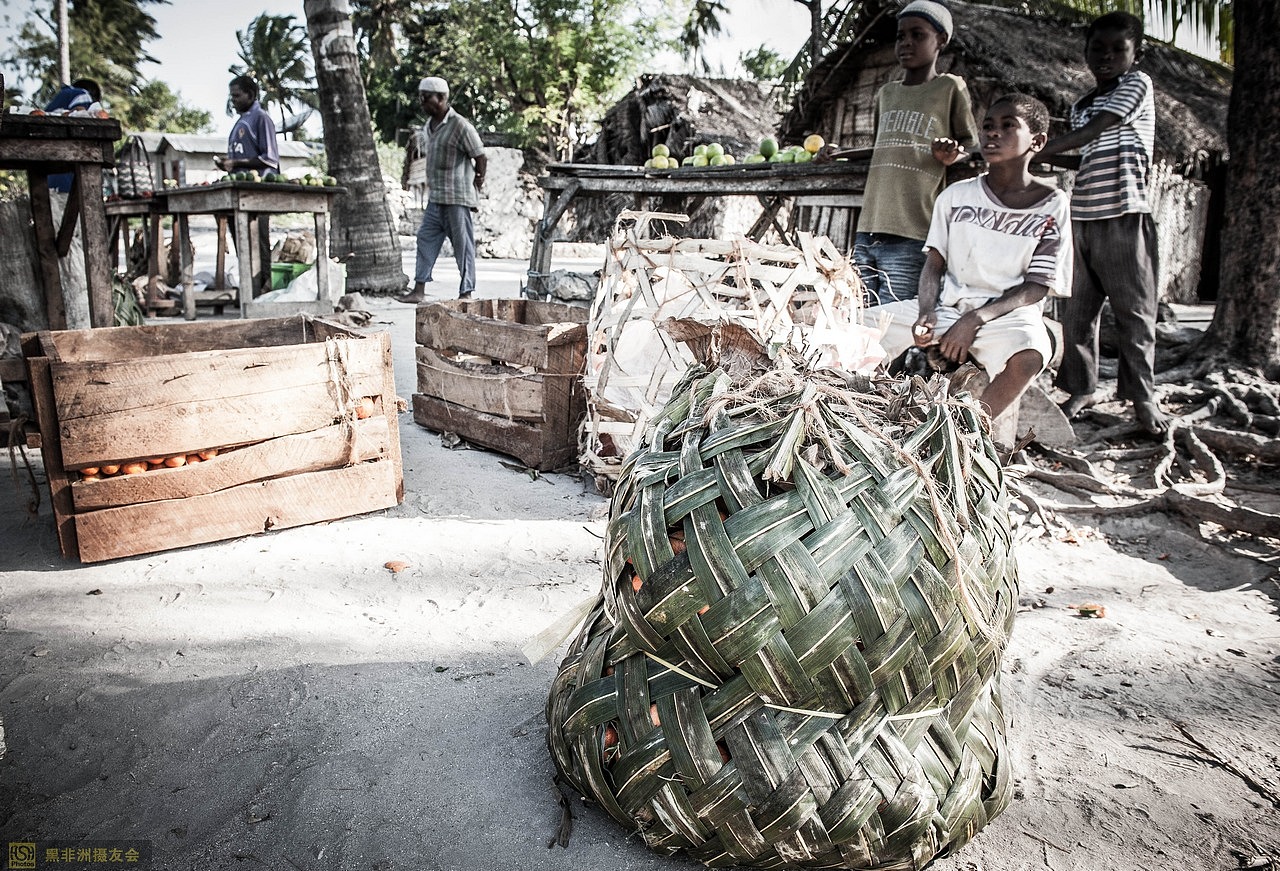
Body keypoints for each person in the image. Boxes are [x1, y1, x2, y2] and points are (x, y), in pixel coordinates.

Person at [868, 93, 1072, 424]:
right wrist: (926, 313)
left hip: (1005, 315)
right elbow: (933, 266)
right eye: (988, 126)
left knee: (1031, 353)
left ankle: (968, 432)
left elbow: (1037, 286)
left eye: (1008, 126)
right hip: (947, 308)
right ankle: (860, 415)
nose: (993, 133)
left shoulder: (1052, 203)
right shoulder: (956, 196)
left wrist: (974, 320)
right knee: (855, 329)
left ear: (1038, 141)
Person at [1039, 12, 1168, 435]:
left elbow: (1099, 130)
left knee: (1135, 313)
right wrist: (1036, 156)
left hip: (1125, 215)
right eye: (1098, 48)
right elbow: (1085, 155)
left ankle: (1143, 397)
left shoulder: (1137, 85)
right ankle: (1082, 387)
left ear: (1137, 53)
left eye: (1118, 48)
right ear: (1086, 52)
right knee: (1077, 313)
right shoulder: (1080, 106)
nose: (1106, 56)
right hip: (1082, 219)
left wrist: (1037, 149)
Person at [853, 0, 978, 305]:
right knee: (859, 320)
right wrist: (840, 155)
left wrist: (954, 155)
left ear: (941, 41)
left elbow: (972, 144)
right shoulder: (886, 93)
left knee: (893, 323)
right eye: (900, 36)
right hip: (868, 227)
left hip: (912, 229)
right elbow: (886, 146)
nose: (906, 42)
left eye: (918, 35)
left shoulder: (950, 88)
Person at [395, 76, 487, 303]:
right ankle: (419, 290)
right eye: (422, 98)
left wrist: (478, 179)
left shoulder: (460, 125)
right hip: (436, 197)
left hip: (457, 197)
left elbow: (480, 155)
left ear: (442, 98)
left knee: (463, 246)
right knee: (425, 239)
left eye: (427, 98)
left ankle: (466, 292)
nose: (423, 103)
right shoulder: (429, 127)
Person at [213, 75, 280, 176]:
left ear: (250, 95)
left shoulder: (261, 118)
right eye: (231, 96)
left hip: (259, 187)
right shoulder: (241, 121)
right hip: (241, 186)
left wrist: (235, 163)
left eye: (237, 96)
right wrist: (228, 163)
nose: (232, 100)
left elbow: (270, 159)